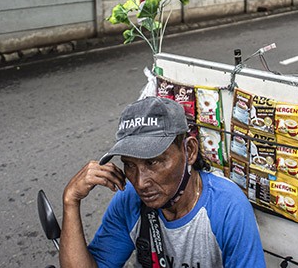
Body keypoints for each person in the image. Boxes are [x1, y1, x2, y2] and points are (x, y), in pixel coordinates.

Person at [60, 97, 266, 268]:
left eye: (153, 162)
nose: (140, 182)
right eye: (130, 165)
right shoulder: (129, 199)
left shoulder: (227, 206)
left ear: (190, 151)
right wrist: (71, 201)